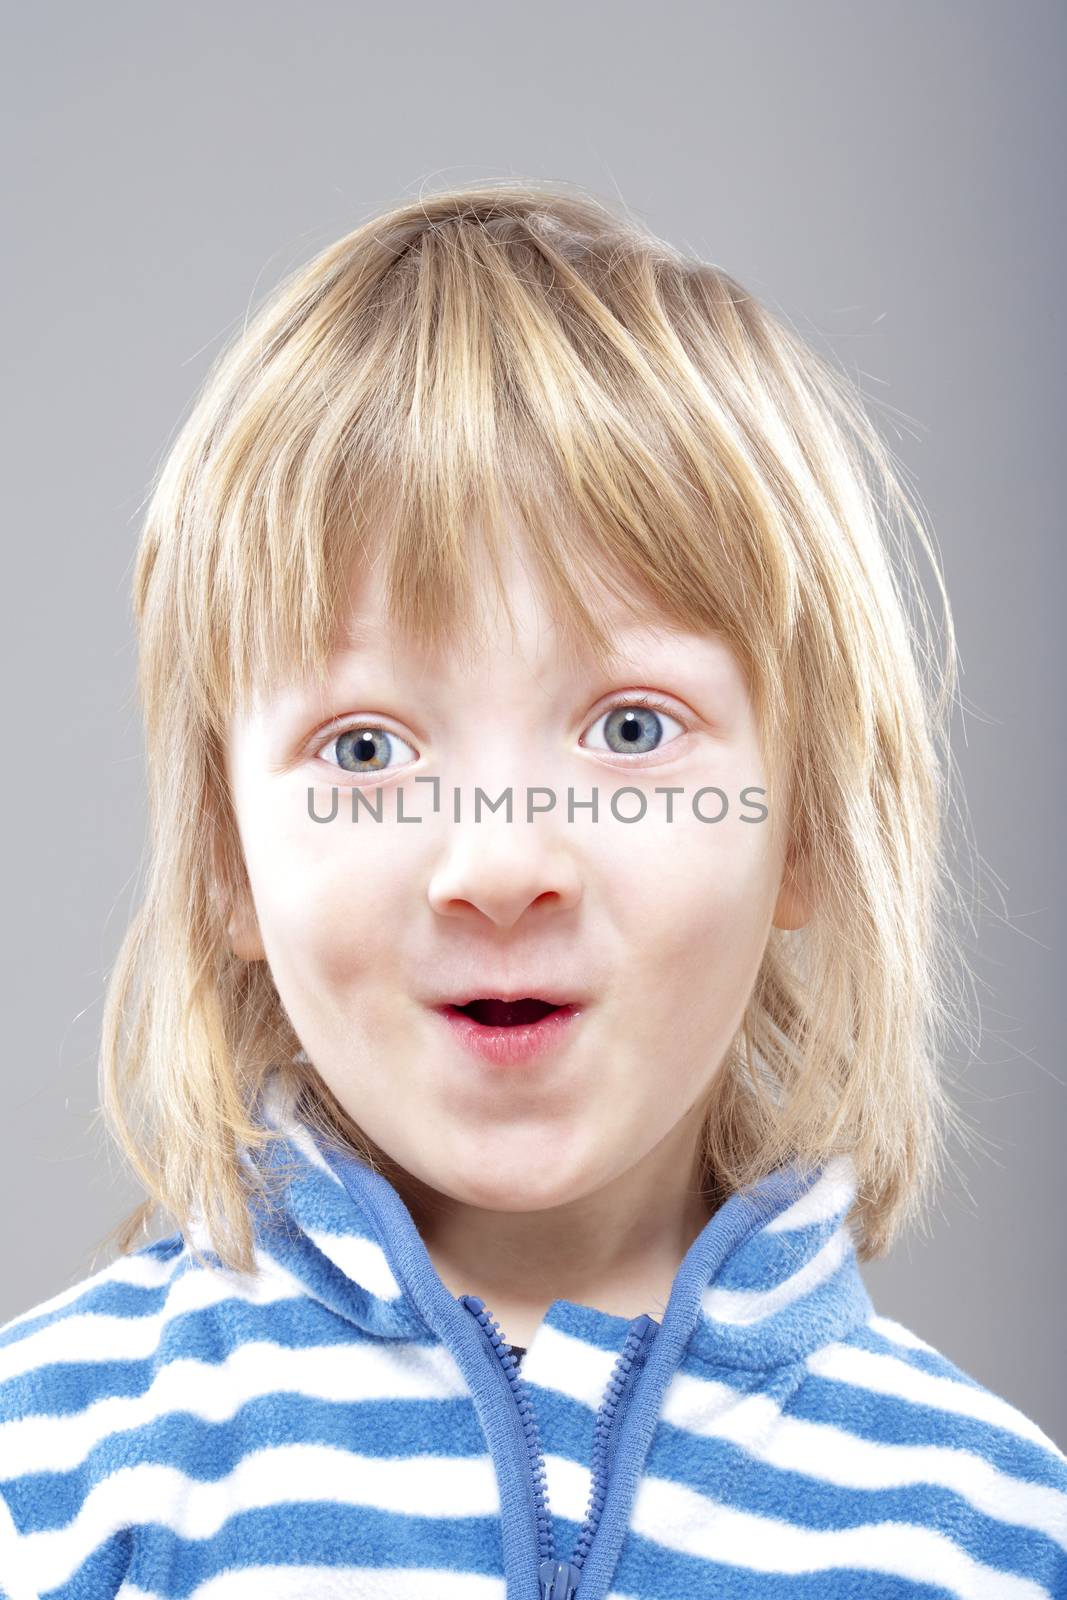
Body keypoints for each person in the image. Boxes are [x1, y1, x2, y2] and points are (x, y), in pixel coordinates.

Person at [1, 181, 1064, 1600]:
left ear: (804, 825)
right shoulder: (55, 1475)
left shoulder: (989, 1536)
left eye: (630, 730)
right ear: (224, 858)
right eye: (366, 747)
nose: (499, 862)